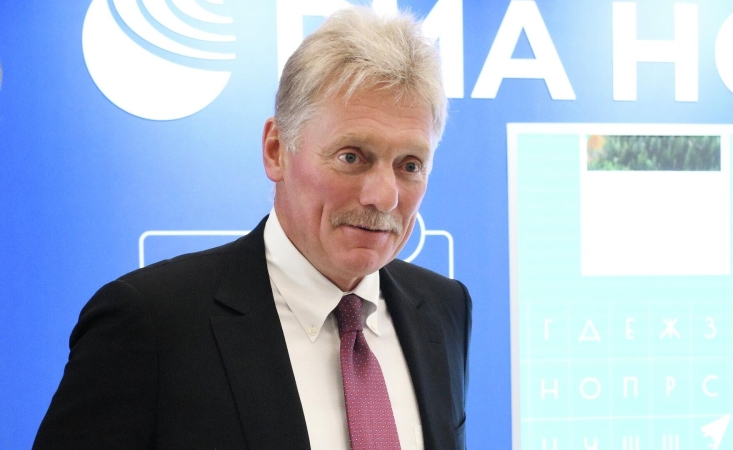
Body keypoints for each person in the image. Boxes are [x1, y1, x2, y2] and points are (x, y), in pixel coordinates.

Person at [33, 6, 471, 450]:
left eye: (410, 165)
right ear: (277, 150)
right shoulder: (150, 323)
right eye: (352, 157)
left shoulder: (443, 308)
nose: (384, 196)